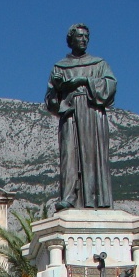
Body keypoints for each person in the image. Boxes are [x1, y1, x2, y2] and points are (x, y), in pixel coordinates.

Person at [45, 23, 118, 210]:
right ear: (71, 40)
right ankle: (69, 197)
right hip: (69, 113)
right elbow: (50, 100)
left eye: (86, 37)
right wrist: (59, 89)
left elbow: (110, 86)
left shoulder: (99, 64)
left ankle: (96, 198)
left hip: (92, 112)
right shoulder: (60, 67)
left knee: (92, 154)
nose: (84, 40)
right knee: (69, 155)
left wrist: (84, 80)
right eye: (79, 36)